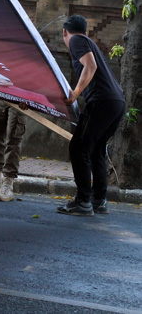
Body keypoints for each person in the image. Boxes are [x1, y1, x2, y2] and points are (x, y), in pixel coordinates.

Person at [57, 15, 125, 216]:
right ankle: (98, 200)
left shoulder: (77, 40)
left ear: (64, 32)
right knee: (96, 150)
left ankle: (83, 202)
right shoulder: (88, 41)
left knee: (78, 147)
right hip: (116, 102)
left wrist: (76, 93)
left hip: (102, 101)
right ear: (86, 31)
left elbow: (91, 66)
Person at [0, 99, 27, 202]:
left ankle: (8, 183)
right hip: (1, 92)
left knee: (13, 138)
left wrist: (28, 97)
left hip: (20, 96)